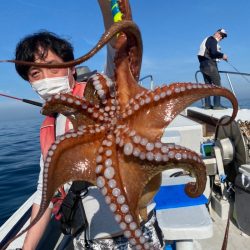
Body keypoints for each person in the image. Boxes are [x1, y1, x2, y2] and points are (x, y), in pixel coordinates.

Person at [14, 6, 163, 250]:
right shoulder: (49, 128)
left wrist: (110, 8)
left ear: (72, 67)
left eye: (53, 67)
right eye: (35, 73)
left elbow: (119, 53)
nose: (45, 79)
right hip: (86, 239)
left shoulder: (100, 95)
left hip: (135, 231)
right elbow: (45, 193)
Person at [198, 28, 228, 110]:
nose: (221, 37)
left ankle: (207, 105)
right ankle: (217, 105)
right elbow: (214, 52)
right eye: (221, 34)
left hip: (203, 66)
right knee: (217, 85)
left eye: (223, 36)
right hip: (210, 66)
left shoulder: (208, 40)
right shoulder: (212, 40)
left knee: (207, 86)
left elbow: (209, 53)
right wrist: (223, 55)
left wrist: (220, 57)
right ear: (216, 33)